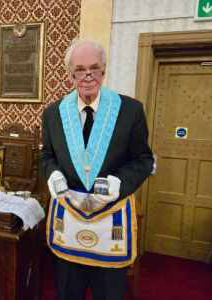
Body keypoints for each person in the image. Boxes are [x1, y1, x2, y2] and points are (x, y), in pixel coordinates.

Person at [40, 38, 154, 300]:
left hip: (109, 222)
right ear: (71, 74)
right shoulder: (53, 113)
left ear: (104, 70)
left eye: (94, 67)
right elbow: (46, 155)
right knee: (68, 294)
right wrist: (53, 173)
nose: (87, 75)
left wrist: (119, 183)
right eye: (80, 69)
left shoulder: (130, 110)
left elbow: (143, 160)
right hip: (69, 223)